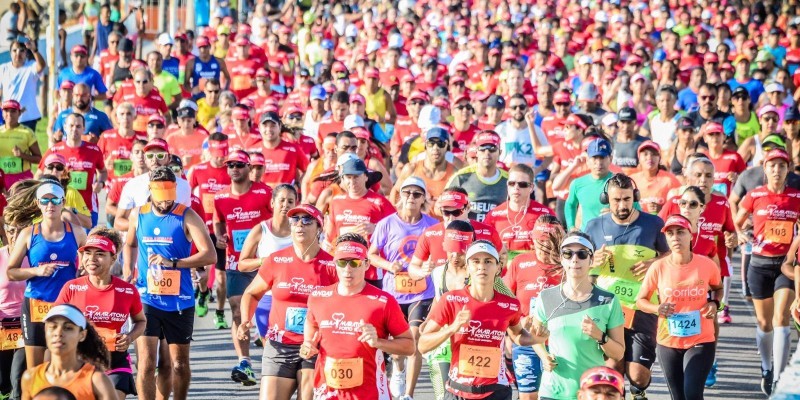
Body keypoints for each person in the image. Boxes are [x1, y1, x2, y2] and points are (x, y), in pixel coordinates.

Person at [122, 166, 216, 400]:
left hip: (179, 300)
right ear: (150, 191)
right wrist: (128, 270)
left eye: (169, 199)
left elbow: (210, 255)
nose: (165, 204)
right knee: (145, 364)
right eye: (160, 199)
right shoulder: (138, 214)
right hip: (147, 298)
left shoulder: (187, 215)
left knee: (177, 365)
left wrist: (174, 263)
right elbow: (130, 243)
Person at [419, 240, 549, 400]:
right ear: (467, 268)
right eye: (475, 261)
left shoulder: (510, 304)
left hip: (496, 390)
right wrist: (452, 328)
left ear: (498, 268)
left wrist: (536, 338)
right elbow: (422, 345)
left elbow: (517, 336)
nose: (482, 266)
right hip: (458, 390)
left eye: (488, 261)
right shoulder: (451, 300)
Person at [583, 173, 669, 400]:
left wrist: (654, 262)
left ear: (635, 197)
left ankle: (638, 391)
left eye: (627, 199)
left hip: (641, 307)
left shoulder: (653, 223)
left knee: (638, 375)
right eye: (616, 200)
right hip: (607, 308)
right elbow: (580, 265)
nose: (622, 205)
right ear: (606, 200)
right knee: (612, 369)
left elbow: (671, 256)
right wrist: (591, 261)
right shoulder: (593, 226)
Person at [238, 204, 336, 400]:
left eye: (307, 220)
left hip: (316, 346)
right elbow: (251, 294)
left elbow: (345, 304)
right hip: (279, 344)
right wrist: (245, 320)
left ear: (319, 227)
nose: (300, 224)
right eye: (295, 220)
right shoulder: (276, 260)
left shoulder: (332, 265)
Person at [299, 233, 415, 399]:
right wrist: (308, 344)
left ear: (366, 264)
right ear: (334, 263)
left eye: (354, 263)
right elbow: (312, 325)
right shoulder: (318, 297)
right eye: (342, 262)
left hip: (370, 393)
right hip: (327, 392)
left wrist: (378, 342)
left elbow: (409, 346)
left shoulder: (383, 301)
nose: (348, 269)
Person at [735, 148, 800, 395]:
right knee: (764, 323)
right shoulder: (754, 195)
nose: (776, 170)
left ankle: (780, 377)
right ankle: (766, 367)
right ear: (765, 168)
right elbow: (738, 221)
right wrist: (740, 234)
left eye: (781, 166)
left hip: (786, 266)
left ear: (787, 170)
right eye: (772, 165)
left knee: (781, 318)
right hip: (759, 264)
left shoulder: (796, 197)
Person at [635, 214, 721, 400]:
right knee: (678, 397)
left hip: (701, 339)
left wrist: (715, 303)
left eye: (680, 232)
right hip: (668, 342)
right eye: (670, 233)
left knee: (692, 394)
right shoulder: (658, 267)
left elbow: (718, 288)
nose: (675, 237)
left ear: (690, 235)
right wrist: (656, 308)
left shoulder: (706, 265)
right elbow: (641, 300)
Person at [532, 232, 626, 400]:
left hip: (591, 393)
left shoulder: (608, 300)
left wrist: (600, 336)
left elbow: (618, 354)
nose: (574, 259)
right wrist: (544, 355)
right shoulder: (546, 297)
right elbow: (535, 337)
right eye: (568, 254)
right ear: (561, 259)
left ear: (591, 261)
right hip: (552, 392)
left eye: (582, 254)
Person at [368, 177, 439, 400]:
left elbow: (440, 255)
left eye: (417, 194)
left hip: (422, 292)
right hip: (393, 293)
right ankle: (397, 370)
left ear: (423, 199)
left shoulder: (431, 226)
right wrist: (390, 266)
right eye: (407, 193)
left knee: (415, 341)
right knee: (397, 348)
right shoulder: (386, 224)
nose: (411, 197)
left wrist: (431, 264)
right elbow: (370, 255)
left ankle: (408, 394)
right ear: (399, 196)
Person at [55, 228, 146, 399]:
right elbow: (54, 324)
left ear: (113, 258)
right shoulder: (71, 288)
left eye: (100, 254)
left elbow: (141, 321)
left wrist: (130, 337)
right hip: (79, 361)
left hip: (116, 361)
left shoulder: (127, 291)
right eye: (87, 253)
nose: (91, 259)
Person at [7, 182, 87, 369]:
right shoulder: (28, 234)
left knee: (56, 366)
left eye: (54, 200)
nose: (50, 204)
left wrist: (83, 271)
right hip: (36, 303)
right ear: (38, 203)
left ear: (63, 202)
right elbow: (11, 272)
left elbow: (90, 264)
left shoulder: (76, 233)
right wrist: (36, 271)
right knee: (34, 370)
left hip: (65, 305)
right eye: (45, 200)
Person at [211, 150, 273, 386]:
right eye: (230, 165)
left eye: (239, 164)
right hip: (236, 262)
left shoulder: (264, 192)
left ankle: (272, 361)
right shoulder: (221, 197)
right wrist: (219, 236)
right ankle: (244, 361)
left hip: (264, 262)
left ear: (248, 167)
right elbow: (218, 220)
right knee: (238, 310)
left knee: (266, 313)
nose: (234, 169)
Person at [503, 215, 565, 399]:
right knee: (528, 396)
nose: (544, 249)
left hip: (558, 343)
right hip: (527, 340)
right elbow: (506, 300)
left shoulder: (568, 264)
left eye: (549, 243)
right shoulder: (519, 262)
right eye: (540, 242)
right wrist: (517, 321)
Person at [237, 184, 298, 340]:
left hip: (296, 296)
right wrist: (265, 261)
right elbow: (242, 264)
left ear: (296, 204)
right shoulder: (261, 230)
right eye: (281, 200)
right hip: (267, 296)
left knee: (295, 344)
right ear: (272, 203)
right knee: (269, 346)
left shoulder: (301, 231)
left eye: (290, 201)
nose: (285, 205)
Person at [19, 304, 116, 400]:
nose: (58, 333)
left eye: (68, 328)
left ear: (82, 335)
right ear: (45, 331)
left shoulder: (96, 381)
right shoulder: (30, 378)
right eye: (53, 327)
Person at [0, 181, 32, 400]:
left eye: (19, 231)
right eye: (10, 231)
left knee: (17, 379)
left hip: (25, 324)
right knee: (2, 382)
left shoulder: (34, 257)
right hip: (2, 323)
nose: (14, 235)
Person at [483, 164, 554, 257]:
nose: (516, 188)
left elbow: (555, 248)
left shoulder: (545, 214)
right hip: (503, 269)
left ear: (531, 188)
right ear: (507, 185)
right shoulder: (493, 215)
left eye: (522, 184)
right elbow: (484, 247)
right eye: (512, 183)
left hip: (532, 267)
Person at [446, 131, 509, 222]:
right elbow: (440, 207)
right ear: (476, 152)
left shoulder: (509, 181)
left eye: (492, 149)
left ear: (500, 152)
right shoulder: (461, 178)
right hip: (468, 233)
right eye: (482, 149)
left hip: (496, 233)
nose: (487, 153)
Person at [564, 138, 614, 230]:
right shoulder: (577, 184)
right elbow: (570, 204)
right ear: (587, 160)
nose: (598, 163)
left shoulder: (619, 182)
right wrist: (571, 227)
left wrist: (617, 214)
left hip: (614, 236)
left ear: (611, 159)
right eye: (594, 158)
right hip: (587, 238)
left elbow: (636, 209)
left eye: (602, 157)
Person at [0, 39, 45, 131]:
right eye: (14, 50)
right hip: (8, 116)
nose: (18, 53)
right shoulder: (3, 69)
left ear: (26, 53)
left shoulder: (31, 67)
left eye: (22, 50)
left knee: (25, 145)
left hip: (27, 118)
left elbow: (41, 66)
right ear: (10, 53)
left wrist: (34, 50)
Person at [630, 141, 680, 214]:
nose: (649, 157)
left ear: (659, 158)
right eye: (645, 154)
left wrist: (663, 208)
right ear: (639, 158)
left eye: (654, 154)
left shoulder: (670, 180)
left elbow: (679, 205)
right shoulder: (632, 181)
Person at [0, 100, 42, 188]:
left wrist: (22, 155)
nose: (9, 114)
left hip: (21, 179)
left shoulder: (27, 132)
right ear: (2, 113)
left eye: (13, 111)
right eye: (6, 110)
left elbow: (39, 159)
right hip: (1, 178)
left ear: (19, 113)